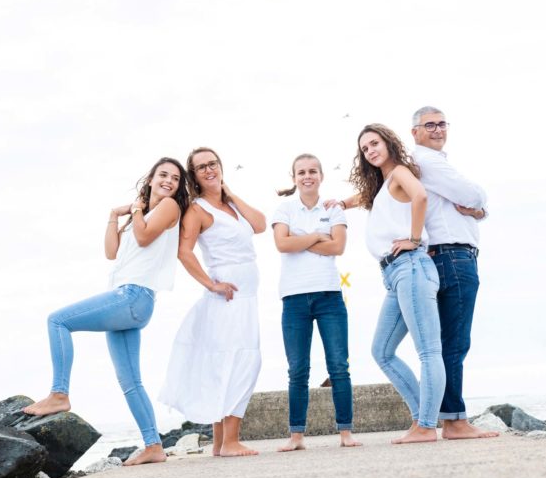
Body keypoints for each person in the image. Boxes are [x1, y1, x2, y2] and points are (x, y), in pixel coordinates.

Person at [23, 157, 189, 466]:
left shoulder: (168, 208)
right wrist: (114, 215)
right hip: (129, 302)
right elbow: (112, 252)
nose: (169, 181)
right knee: (130, 382)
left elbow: (143, 236)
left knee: (58, 320)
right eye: (163, 175)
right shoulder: (143, 213)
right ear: (150, 178)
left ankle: (59, 394)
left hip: (133, 296)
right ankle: (153, 445)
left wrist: (137, 209)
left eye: (176, 178)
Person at [159, 147, 266, 457]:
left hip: (247, 298)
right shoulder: (197, 209)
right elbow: (184, 251)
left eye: (213, 164)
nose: (209, 170)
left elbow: (259, 225)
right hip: (227, 299)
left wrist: (230, 194)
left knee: (233, 361)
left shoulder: (231, 205)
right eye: (201, 167)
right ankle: (231, 441)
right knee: (238, 362)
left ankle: (221, 443)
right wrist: (211, 284)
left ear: (221, 167)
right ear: (194, 176)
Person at [347, 123, 445, 444]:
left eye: (374, 143)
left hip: (411, 267)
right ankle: (422, 419)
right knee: (382, 351)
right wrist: (342, 204)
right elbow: (368, 197)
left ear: (388, 143)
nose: (371, 150)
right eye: (365, 148)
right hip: (394, 275)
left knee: (428, 351)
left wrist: (414, 239)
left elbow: (420, 196)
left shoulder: (401, 171)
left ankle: (427, 426)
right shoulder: (384, 184)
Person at [409, 106, 498, 439]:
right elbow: (473, 195)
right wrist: (477, 205)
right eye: (429, 125)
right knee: (454, 342)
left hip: (449, 256)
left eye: (442, 123)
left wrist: (477, 210)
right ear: (415, 132)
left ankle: (445, 417)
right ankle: (454, 421)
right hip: (454, 257)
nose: (437, 129)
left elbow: (476, 207)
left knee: (447, 342)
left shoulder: (433, 163)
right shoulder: (428, 162)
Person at [271, 154, 361, 452]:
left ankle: (345, 432)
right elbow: (282, 244)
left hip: (329, 296)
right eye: (301, 172)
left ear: (321, 175)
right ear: (294, 177)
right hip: (293, 297)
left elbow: (339, 246)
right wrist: (315, 236)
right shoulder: (284, 208)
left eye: (312, 171)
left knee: (339, 366)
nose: (307, 176)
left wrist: (301, 239)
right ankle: (296, 436)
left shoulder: (333, 209)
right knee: (298, 369)